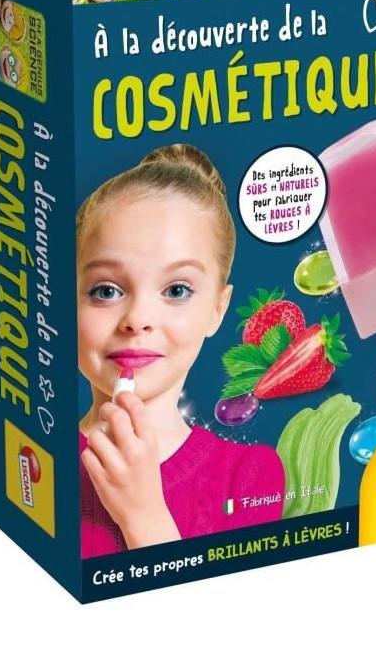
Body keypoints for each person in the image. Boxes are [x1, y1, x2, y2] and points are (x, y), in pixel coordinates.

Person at [76, 144, 285, 557]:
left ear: (217, 310)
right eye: (106, 290)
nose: (137, 319)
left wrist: (143, 515)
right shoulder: (34, 460)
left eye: (176, 290)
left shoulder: (247, 478)